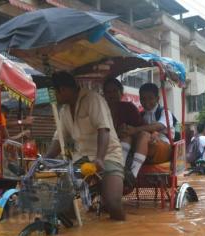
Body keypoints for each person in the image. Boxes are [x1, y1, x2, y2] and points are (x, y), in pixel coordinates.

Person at [45, 71, 126, 221]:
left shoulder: (93, 99)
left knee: (113, 203)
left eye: (54, 93)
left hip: (107, 155)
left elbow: (104, 129)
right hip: (81, 159)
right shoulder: (63, 111)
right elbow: (59, 140)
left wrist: (100, 159)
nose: (54, 98)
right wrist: (44, 161)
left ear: (62, 90)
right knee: (64, 204)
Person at [117, 83, 174, 179]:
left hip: (163, 147)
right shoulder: (140, 115)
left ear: (157, 98)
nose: (146, 102)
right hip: (144, 147)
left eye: (150, 98)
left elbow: (159, 126)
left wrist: (136, 129)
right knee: (127, 134)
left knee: (143, 134)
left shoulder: (164, 112)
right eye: (143, 99)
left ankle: (133, 175)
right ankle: (119, 168)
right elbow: (132, 131)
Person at [103, 78, 144, 164]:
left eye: (114, 91)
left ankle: (120, 165)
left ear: (121, 92)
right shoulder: (101, 110)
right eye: (108, 92)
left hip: (127, 147)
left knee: (127, 137)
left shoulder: (129, 108)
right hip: (105, 146)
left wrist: (128, 130)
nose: (111, 94)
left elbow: (139, 128)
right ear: (104, 95)